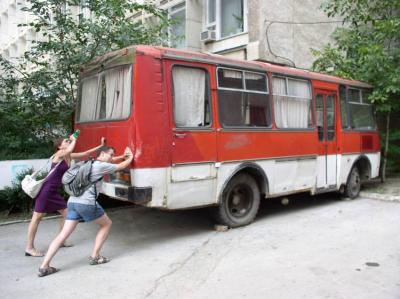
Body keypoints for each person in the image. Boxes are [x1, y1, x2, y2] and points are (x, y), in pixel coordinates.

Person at [38, 145, 133, 277]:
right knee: (106, 224)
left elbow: (112, 162)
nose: (112, 157)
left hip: (72, 202)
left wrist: (121, 156)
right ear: (103, 153)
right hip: (87, 203)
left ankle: (44, 266)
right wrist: (130, 157)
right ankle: (95, 256)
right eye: (111, 155)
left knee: (62, 235)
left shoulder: (88, 163)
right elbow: (121, 166)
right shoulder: (101, 166)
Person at [25, 135, 106, 257]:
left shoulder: (68, 155)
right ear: (60, 146)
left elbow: (86, 152)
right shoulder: (60, 153)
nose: (69, 142)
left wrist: (101, 145)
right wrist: (73, 140)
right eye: (66, 141)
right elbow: (68, 150)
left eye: (69, 141)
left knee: (67, 214)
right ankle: (29, 248)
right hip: (46, 191)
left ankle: (61, 240)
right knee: (37, 218)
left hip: (53, 192)